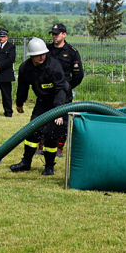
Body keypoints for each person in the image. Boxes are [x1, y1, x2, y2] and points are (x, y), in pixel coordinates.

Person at [9, 38, 70, 176]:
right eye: (38, 55)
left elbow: (61, 89)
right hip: (43, 101)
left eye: (43, 54)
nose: (42, 57)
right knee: (32, 129)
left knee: (50, 134)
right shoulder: (25, 68)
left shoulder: (54, 66)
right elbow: (22, 88)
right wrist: (19, 103)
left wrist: (59, 111)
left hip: (60, 101)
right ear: (31, 55)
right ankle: (26, 162)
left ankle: (49, 166)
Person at [40, 23, 84, 157]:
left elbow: (78, 74)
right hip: (47, 90)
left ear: (64, 34)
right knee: (43, 117)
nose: (54, 36)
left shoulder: (72, 52)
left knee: (62, 120)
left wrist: (67, 87)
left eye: (57, 33)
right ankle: (42, 145)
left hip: (64, 91)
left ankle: (59, 147)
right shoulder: (46, 50)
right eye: (53, 34)